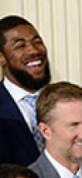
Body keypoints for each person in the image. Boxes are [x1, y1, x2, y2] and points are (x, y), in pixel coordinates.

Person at [0, 16, 50, 165]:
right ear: (1, 58)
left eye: (37, 42)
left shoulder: (64, 101)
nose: (33, 50)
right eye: (20, 46)